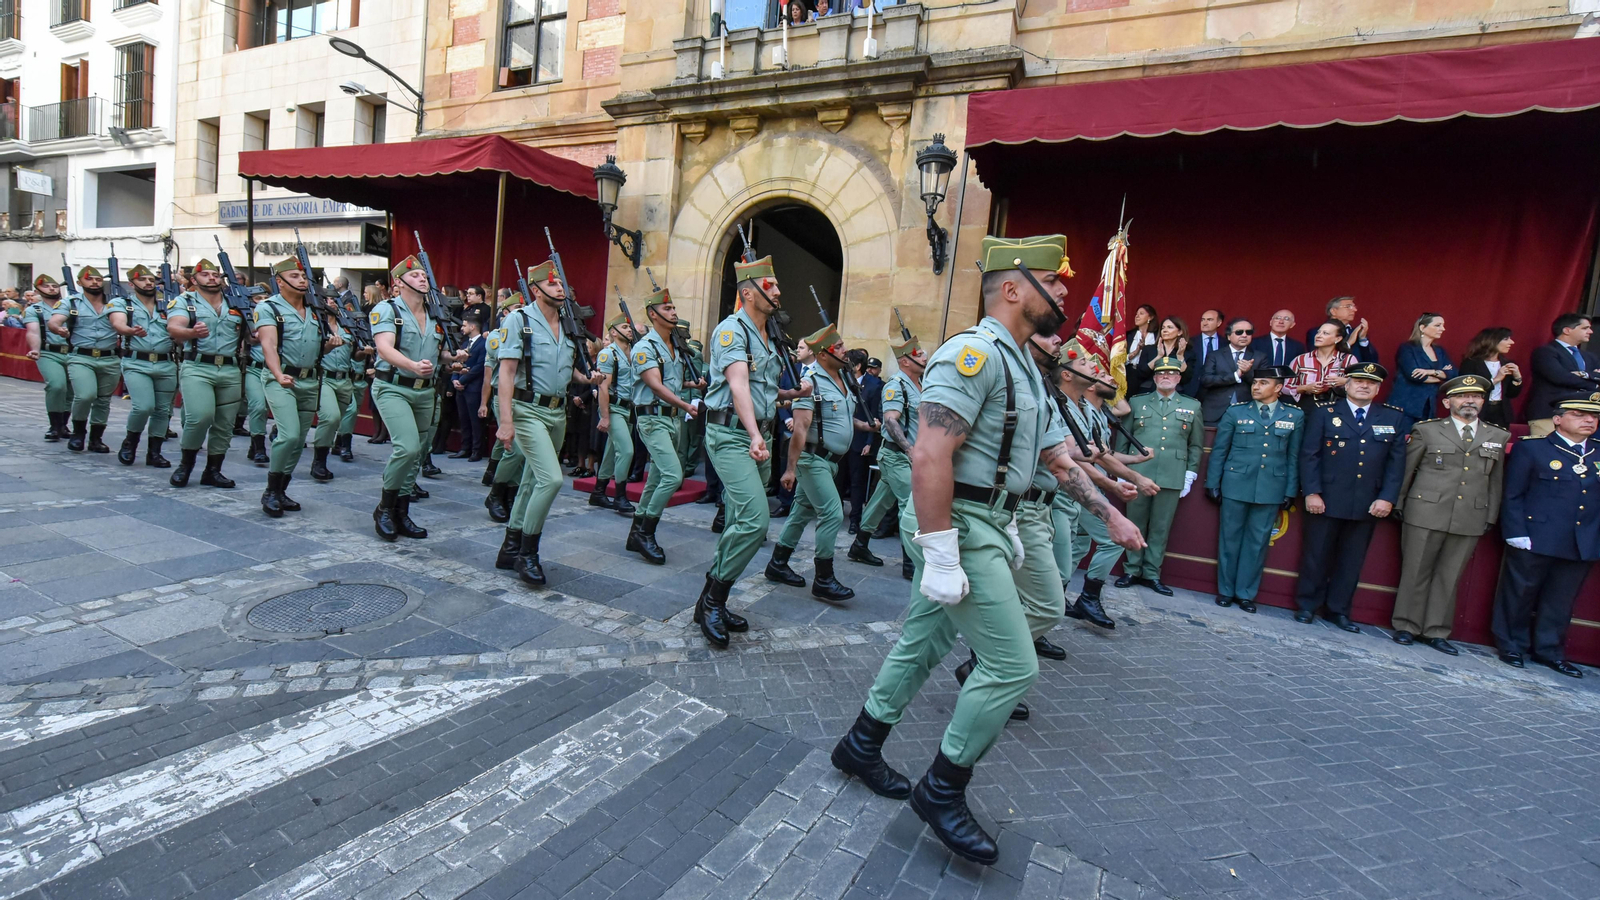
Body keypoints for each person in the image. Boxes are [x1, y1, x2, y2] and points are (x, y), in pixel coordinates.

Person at [828, 235, 1144, 867]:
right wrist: (942, 550)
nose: (1062, 293)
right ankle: (942, 791)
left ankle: (861, 744)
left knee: (927, 641)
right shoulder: (973, 355)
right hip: (965, 527)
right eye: (1052, 282)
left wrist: (1109, 511)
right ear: (1011, 287)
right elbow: (929, 453)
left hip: (992, 524)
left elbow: (1057, 457)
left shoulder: (1026, 364)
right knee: (1012, 666)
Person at [697, 254, 812, 648]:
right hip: (732, 435)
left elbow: (761, 388)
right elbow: (738, 385)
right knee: (754, 522)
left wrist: (789, 394)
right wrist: (753, 433)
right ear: (748, 292)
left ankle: (710, 599)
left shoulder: (767, 334)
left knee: (738, 522)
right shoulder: (733, 331)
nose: (778, 291)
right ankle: (713, 601)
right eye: (771, 285)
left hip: (755, 435)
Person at [493, 260, 599, 578]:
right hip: (527, 411)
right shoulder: (518, 320)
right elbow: (507, 373)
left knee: (531, 481)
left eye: (561, 283)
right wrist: (507, 421)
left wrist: (588, 378)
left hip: (556, 412)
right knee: (551, 480)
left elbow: (567, 368)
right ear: (536, 289)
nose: (560, 288)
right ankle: (528, 553)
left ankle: (509, 549)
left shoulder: (567, 324)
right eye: (553, 284)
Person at [1391, 374, 1507, 654]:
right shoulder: (1427, 430)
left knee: (1450, 575)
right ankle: (1407, 625)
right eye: (1462, 396)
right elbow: (1406, 472)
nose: (1470, 401)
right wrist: (1398, 502)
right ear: (1447, 402)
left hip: (1470, 514)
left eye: (1477, 396)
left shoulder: (1497, 435)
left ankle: (1436, 631)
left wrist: (1490, 514)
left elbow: (1496, 480)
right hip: (1426, 509)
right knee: (1416, 570)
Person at [1292, 362, 1408, 629]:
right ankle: (1307, 606)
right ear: (1347, 385)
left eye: (1370, 383)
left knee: (1351, 560)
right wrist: (1312, 492)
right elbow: (1310, 455)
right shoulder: (1325, 413)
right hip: (1326, 498)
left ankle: (1338, 610)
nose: (1364, 386)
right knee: (1316, 555)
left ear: (1378, 389)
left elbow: (1396, 464)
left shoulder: (1392, 418)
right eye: (1358, 381)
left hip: (1367, 502)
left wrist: (1387, 498)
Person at [1491, 397, 1600, 677]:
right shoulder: (1534, 449)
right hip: (1535, 535)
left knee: (1560, 600)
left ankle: (1549, 650)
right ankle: (1511, 645)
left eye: (1594, 417)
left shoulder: (1597, 453)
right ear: (1558, 419)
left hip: (1581, 539)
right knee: (1520, 594)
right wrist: (1516, 532)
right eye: (1579, 415)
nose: (1589, 420)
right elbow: (1513, 494)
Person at [767, 323, 863, 602]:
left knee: (801, 512)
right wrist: (790, 468)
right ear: (823, 354)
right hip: (812, 460)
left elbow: (841, 419)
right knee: (832, 514)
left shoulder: (843, 378)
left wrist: (866, 427)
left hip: (832, 461)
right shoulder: (811, 381)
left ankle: (777, 564)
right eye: (839, 346)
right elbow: (800, 427)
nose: (846, 350)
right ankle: (823, 578)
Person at [372, 256, 459, 540]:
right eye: (416, 275)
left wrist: (452, 359)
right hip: (393, 386)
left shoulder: (436, 314)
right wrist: (411, 365)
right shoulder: (387, 309)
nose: (423, 278)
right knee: (407, 448)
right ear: (399, 283)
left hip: (425, 391)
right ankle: (384, 508)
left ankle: (402, 510)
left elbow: (437, 354)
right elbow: (384, 348)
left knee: (419, 452)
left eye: (424, 274)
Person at [1205, 366, 1303, 613]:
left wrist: (1290, 490)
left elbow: (1294, 456)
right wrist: (1212, 483)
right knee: (1230, 539)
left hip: (1272, 486)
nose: (1256, 387)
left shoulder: (1294, 416)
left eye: (1263, 383)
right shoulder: (1236, 412)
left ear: (1278, 388)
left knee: (1258, 542)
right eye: (1255, 382)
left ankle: (1245, 593)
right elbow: (1219, 451)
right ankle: (1226, 591)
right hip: (1236, 483)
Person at [254, 258, 340, 518]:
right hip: (281, 378)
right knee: (289, 435)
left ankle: (281, 490)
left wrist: (330, 345)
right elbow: (268, 345)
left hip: (310, 380)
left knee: (299, 438)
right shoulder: (268, 307)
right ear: (279, 281)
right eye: (295, 276)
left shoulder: (315, 310)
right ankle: (270, 491)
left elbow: (316, 349)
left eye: (303, 277)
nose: (302, 280)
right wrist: (278, 374)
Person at [1114, 356, 1204, 596]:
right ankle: (1132, 569)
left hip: (1172, 474)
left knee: (1161, 528)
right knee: (1135, 522)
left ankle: (1152, 573)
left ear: (1178, 378)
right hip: (1139, 472)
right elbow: (1124, 437)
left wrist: (1190, 474)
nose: (1166, 377)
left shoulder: (1192, 406)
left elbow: (1195, 445)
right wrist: (1121, 472)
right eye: (1161, 374)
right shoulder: (1138, 402)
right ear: (1154, 378)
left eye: (1171, 374)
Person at [626, 286, 703, 564]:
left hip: (671, 419)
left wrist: (692, 385)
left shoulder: (675, 346)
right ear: (652, 314)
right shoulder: (645, 348)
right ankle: (646, 533)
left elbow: (671, 381)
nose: (674, 312)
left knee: (658, 478)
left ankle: (636, 531)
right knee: (673, 476)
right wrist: (685, 405)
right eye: (667, 309)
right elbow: (655, 385)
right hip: (653, 418)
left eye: (673, 308)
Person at [166, 259, 245, 489]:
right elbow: (174, 327)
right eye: (205, 274)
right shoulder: (185, 301)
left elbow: (250, 334)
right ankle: (186, 465)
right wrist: (191, 332)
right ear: (194, 280)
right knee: (200, 416)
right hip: (198, 366)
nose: (212, 278)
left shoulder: (237, 302)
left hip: (230, 367)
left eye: (215, 274)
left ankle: (213, 470)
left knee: (225, 423)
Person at [851, 333, 924, 579]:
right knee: (911, 505)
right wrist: (909, 448)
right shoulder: (897, 385)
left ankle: (859, 545)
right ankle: (910, 563)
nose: (924, 357)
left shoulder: (920, 384)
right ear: (905, 361)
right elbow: (891, 422)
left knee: (880, 502)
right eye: (918, 354)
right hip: (897, 456)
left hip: (907, 457)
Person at [107, 264, 177, 468]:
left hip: (166, 362)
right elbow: (117, 323)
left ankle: (154, 452)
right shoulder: (121, 303)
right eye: (142, 280)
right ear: (131, 284)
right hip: (137, 361)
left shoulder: (169, 305)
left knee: (163, 410)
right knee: (143, 406)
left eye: (151, 280)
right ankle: (130, 443)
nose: (148, 283)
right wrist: (128, 330)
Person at [49, 266, 120, 453]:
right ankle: (78, 433)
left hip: (109, 357)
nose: (95, 282)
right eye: (90, 279)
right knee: (85, 395)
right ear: (80, 283)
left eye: (98, 279)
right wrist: (58, 328)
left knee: (103, 400)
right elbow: (54, 320)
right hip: (81, 356)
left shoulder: (115, 303)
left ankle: (96, 438)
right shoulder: (72, 302)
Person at [310, 291, 369, 481]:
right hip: (324, 377)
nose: (332, 303)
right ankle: (319, 462)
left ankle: (333, 446)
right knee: (330, 417)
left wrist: (364, 352)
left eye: (335, 300)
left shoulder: (347, 325)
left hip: (344, 379)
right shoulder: (317, 323)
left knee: (339, 419)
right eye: (328, 299)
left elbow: (355, 355)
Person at [591, 314, 638, 514]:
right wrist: (605, 416)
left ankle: (599, 492)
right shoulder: (608, 354)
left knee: (612, 452)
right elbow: (603, 387)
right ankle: (620, 496)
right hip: (614, 408)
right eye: (625, 327)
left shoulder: (633, 353)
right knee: (626, 450)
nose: (629, 330)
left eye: (630, 327)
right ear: (613, 332)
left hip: (627, 408)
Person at [1524, 313, 1598, 438]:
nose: (1590, 331)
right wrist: (1593, 380)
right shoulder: (1545, 352)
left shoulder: (1590, 357)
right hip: (1549, 414)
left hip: (1584, 415)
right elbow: (1559, 377)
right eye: (1585, 328)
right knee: (1547, 455)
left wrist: (1584, 374)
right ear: (1567, 330)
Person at [21, 274, 73, 442]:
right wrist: (35, 349)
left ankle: (64, 424)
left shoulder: (72, 306)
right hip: (49, 352)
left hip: (74, 352)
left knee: (71, 390)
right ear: (38, 291)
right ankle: (55, 425)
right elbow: (33, 331)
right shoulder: (34, 310)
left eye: (55, 285)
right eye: (46, 286)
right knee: (57, 385)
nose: (52, 288)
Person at [1198, 317, 1268, 425]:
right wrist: (1236, 375)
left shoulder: (1260, 357)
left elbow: (1264, 385)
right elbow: (1206, 380)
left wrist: (1247, 372)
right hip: (1215, 412)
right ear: (1229, 336)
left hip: (1247, 411)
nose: (1244, 335)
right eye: (1239, 332)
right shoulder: (1215, 355)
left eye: (1248, 332)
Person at [1390, 313, 1454, 421]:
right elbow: (1415, 376)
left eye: (1442, 325)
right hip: (1405, 408)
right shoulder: (1407, 348)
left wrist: (1430, 372)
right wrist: (1441, 375)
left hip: (1429, 408)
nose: (1443, 329)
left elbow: (1453, 374)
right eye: (1437, 325)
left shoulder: (1440, 351)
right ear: (1422, 327)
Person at [1459, 327, 1523, 430]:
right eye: (1506, 339)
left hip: (1501, 412)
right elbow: (1468, 388)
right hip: (1478, 411)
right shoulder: (1471, 363)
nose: (1511, 342)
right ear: (1492, 341)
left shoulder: (1507, 363)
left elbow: (1512, 394)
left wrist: (1517, 378)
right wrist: (1496, 379)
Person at [1286, 320, 1357, 410]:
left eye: (1325, 333)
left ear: (1338, 339)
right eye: (1318, 332)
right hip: (1308, 406)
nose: (1319, 336)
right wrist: (1305, 388)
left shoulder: (1348, 359)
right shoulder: (1300, 359)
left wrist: (1345, 381)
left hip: (1337, 406)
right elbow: (1285, 387)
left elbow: (1361, 383)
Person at [449, 309, 488, 462]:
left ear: (473, 327)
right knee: (463, 419)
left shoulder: (483, 344)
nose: (462, 328)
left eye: (464, 325)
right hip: (460, 387)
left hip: (473, 387)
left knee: (475, 420)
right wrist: (454, 379)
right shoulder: (464, 343)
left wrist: (462, 381)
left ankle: (476, 450)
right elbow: (456, 362)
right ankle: (465, 448)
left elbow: (479, 367)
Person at [1127, 315, 1187, 396]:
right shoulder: (1149, 349)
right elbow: (1140, 374)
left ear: (1179, 332)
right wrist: (1158, 357)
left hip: (1175, 394)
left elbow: (1186, 377)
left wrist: (1180, 356)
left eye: (1169, 327)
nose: (1165, 330)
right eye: (1163, 328)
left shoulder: (1187, 351)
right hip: (1148, 392)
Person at [1309, 295, 1378, 365]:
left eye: (1354, 307)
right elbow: (1316, 358)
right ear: (1333, 311)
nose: (1354, 310)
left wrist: (1362, 339)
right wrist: (1348, 343)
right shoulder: (1316, 333)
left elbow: (1372, 363)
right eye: (1348, 306)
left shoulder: (1357, 332)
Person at [1182, 308, 1224, 398]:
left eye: (1209, 320)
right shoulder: (1189, 343)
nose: (1204, 323)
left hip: (1218, 391)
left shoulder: (1226, 344)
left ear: (1219, 323)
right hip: (1193, 390)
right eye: (1202, 320)